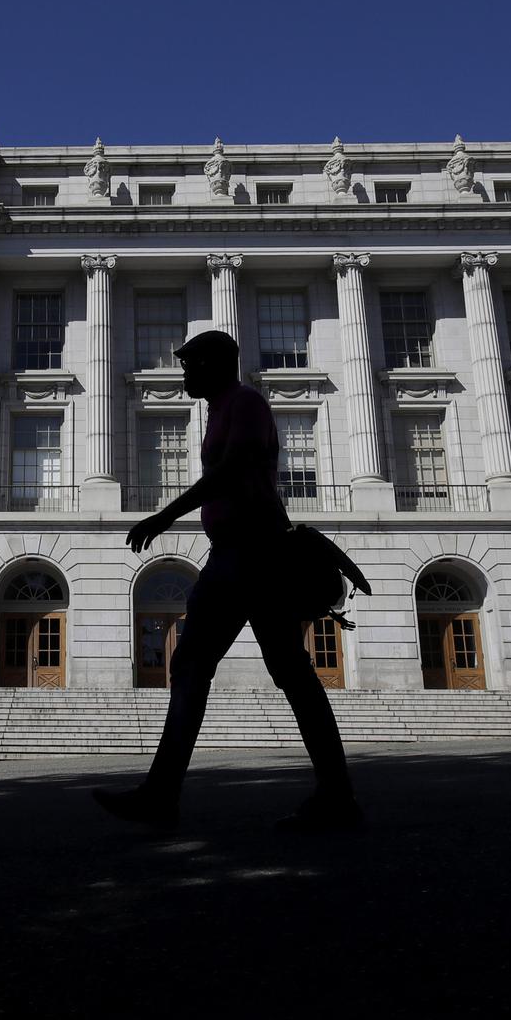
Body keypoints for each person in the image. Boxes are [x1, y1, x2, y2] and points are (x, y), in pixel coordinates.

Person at [93, 330, 362, 831]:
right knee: (289, 673)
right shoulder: (224, 409)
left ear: (217, 364)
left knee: (198, 662)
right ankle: (336, 795)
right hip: (242, 552)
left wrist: (163, 516)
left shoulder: (246, 403)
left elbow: (233, 471)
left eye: (191, 364)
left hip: (251, 553)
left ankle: (161, 794)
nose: (184, 373)